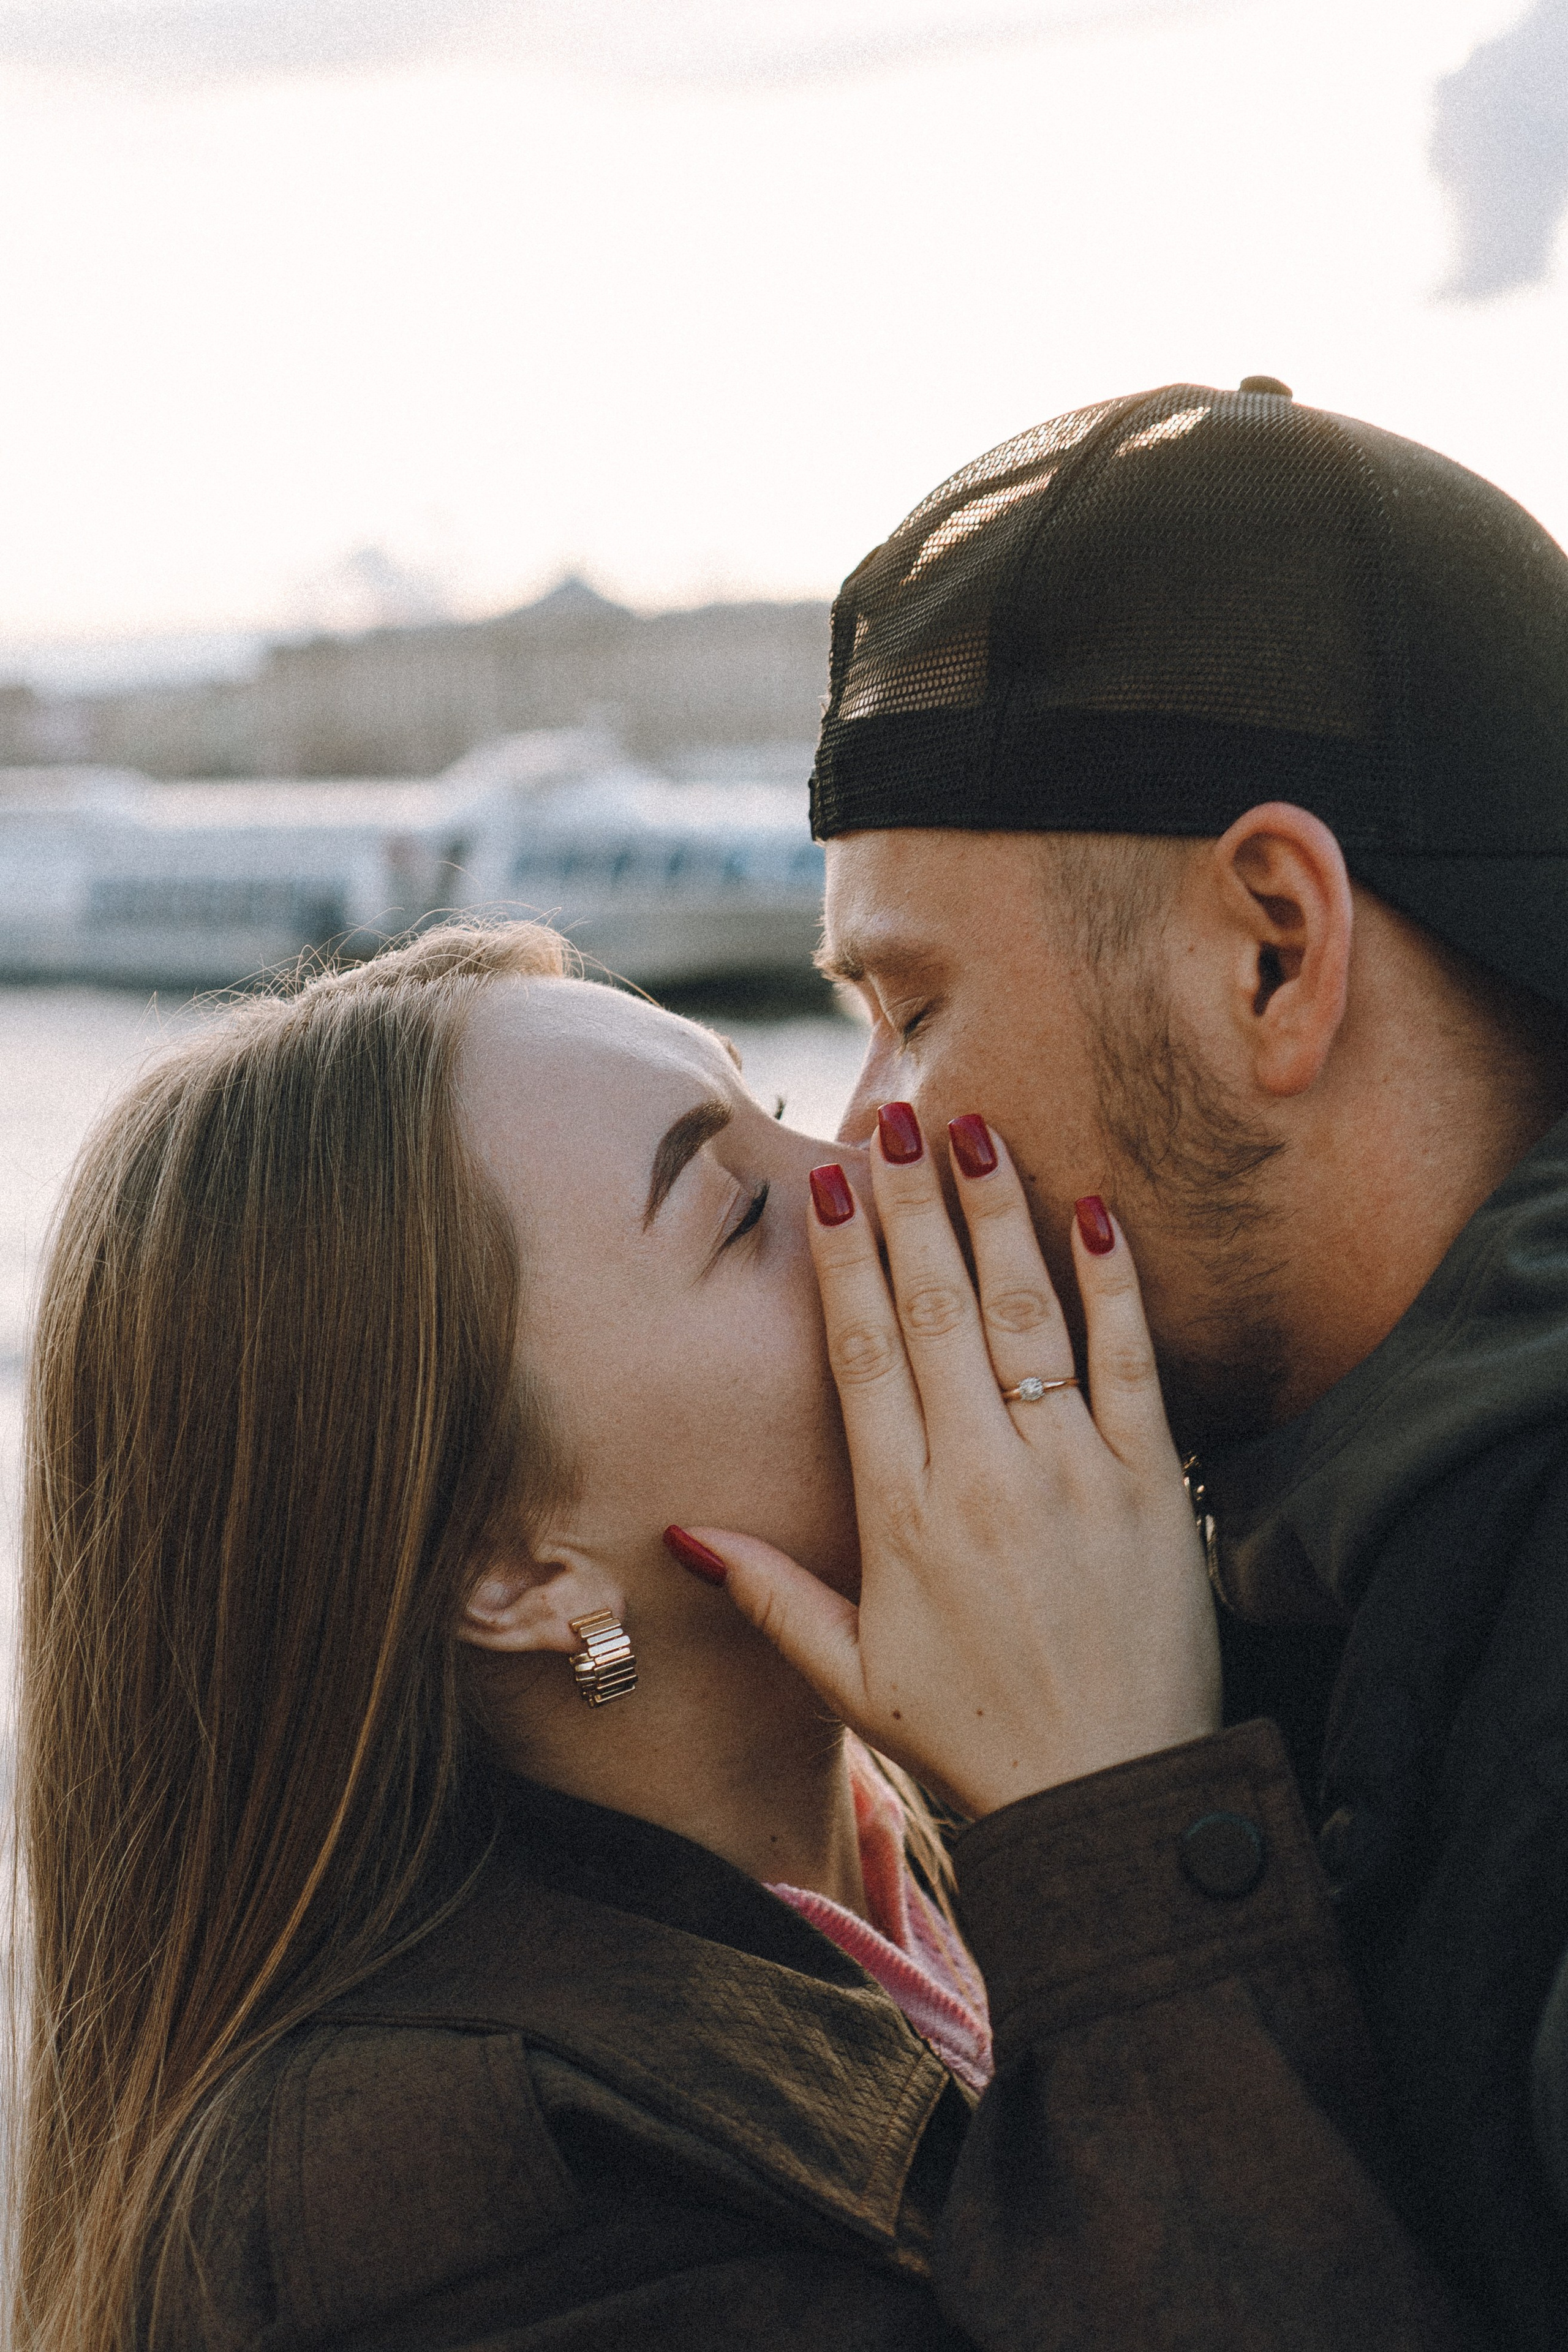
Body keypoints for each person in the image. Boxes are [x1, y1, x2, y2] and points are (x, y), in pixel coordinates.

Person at [7, 921, 1463, 2352]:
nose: (856, 1167)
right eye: (740, 1212)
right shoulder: (430, 2217)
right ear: (510, 1567)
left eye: (769, 1110)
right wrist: (1112, 1831)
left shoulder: (940, 1840)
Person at [736, 375, 1568, 2349]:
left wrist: (1109, 1846)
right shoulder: (1312, 1536)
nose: (859, 1138)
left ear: (1273, 949)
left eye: (913, 1004)